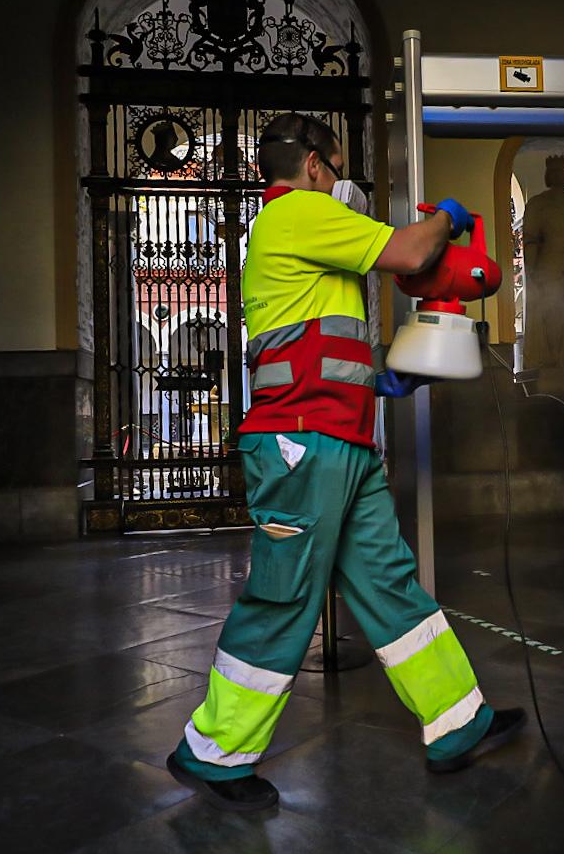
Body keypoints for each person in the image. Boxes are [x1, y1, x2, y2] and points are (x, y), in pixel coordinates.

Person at [166, 112, 525, 812]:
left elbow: (319, 337)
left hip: (342, 439)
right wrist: (447, 218)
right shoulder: (296, 211)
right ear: (317, 167)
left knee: (389, 584)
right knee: (284, 596)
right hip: (303, 444)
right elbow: (409, 252)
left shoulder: (303, 230)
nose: (342, 180)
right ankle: (213, 751)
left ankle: (457, 719)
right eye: (338, 166)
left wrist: (382, 379)